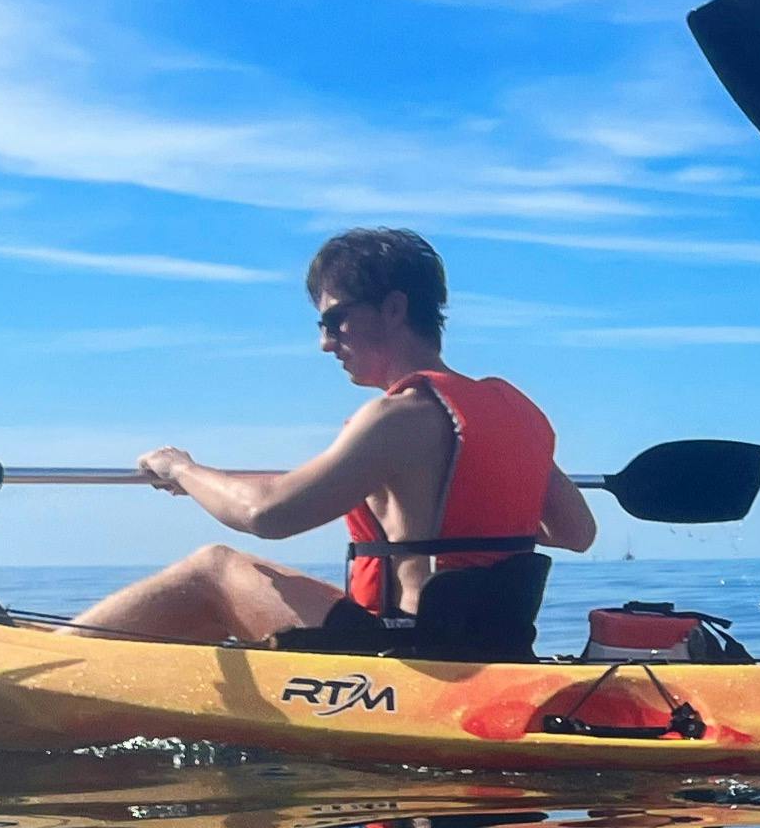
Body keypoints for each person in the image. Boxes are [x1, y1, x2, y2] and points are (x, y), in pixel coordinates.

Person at [75, 227, 596, 651]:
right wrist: (456, 520)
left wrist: (182, 470)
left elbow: (267, 514)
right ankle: (72, 653)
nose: (326, 343)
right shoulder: (515, 411)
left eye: (335, 319)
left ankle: (55, 660)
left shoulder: (399, 415)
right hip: (496, 647)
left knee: (214, 568)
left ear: (393, 309)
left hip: (405, 656)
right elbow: (576, 531)